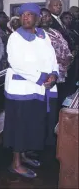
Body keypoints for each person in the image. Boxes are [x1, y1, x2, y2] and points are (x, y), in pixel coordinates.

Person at [4, 3, 58, 178]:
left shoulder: (43, 35)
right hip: (21, 89)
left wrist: (54, 74)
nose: (25, 17)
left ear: (37, 18)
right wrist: (43, 77)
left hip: (37, 87)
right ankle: (15, 163)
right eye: (23, 15)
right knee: (20, 126)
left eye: (30, 14)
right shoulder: (15, 38)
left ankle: (24, 155)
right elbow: (17, 64)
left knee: (31, 123)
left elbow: (51, 56)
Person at [40, 8, 72, 146]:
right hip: (43, 76)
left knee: (54, 106)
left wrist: (68, 59)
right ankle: (41, 138)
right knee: (42, 109)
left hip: (58, 73)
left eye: (47, 16)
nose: (45, 18)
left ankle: (50, 137)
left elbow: (66, 49)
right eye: (42, 16)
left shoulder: (55, 32)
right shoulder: (36, 34)